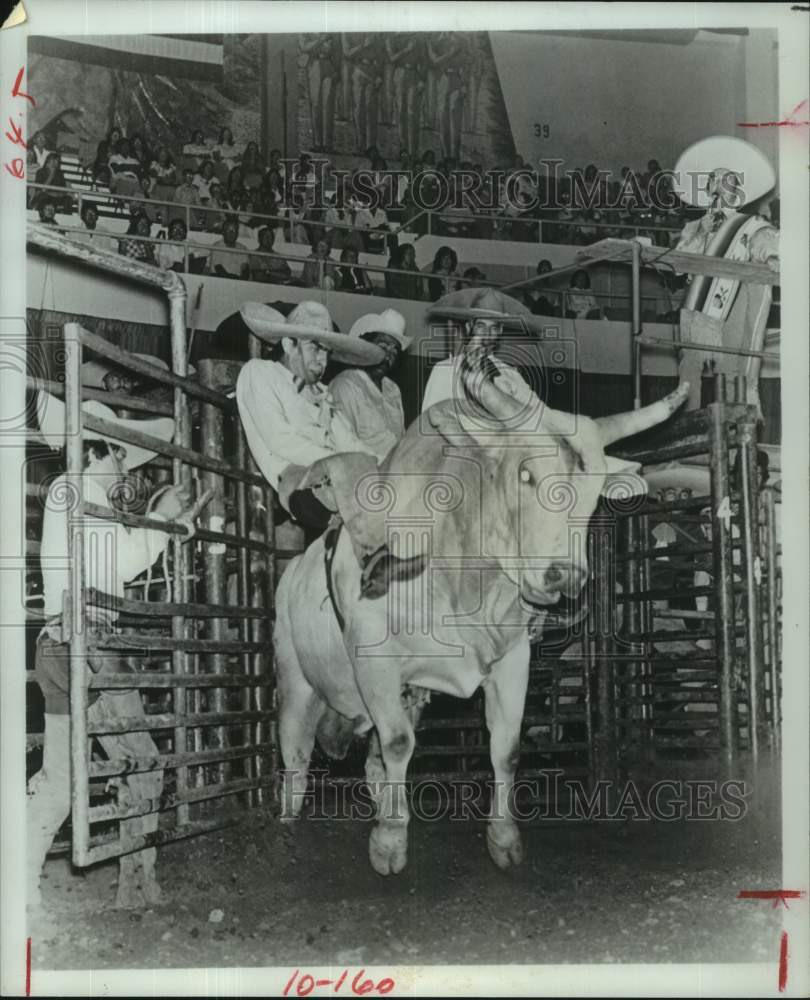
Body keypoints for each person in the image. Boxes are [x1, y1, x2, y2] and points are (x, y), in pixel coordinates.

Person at [28, 391, 206, 911]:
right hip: (92, 644)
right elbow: (124, 563)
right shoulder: (85, 494)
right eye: (120, 453)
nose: (125, 463)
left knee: (62, 778)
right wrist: (163, 520)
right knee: (143, 763)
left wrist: (162, 523)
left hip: (57, 644)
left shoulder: (66, 493)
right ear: (99, 449)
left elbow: (116, 556)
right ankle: (136, 882)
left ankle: (20, 884)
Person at [235, 301, 426, 598]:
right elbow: (280, 440)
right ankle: (374, 557)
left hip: (338, 477)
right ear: (289, 344)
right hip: (297, 481)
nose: (322, 358)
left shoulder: (322, 394)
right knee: (355, 466)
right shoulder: (259, 373)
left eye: (326, 351)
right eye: (314, 347)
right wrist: (350, 461)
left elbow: (350, 440)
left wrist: (390, 465)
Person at [420, 287, 535, 413]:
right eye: (481, 326)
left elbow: (535, 414)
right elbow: (429, 418)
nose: (487, 335)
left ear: (500, 331)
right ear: (469, 327)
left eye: (494, 328)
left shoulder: (511, 374)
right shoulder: (445, 369)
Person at [329, 310, 410, 463]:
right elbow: (342, 448)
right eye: (383, 346)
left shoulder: (392, 389)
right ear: (364, 346)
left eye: (394, 351)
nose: (388, 356)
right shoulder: (345, 386)